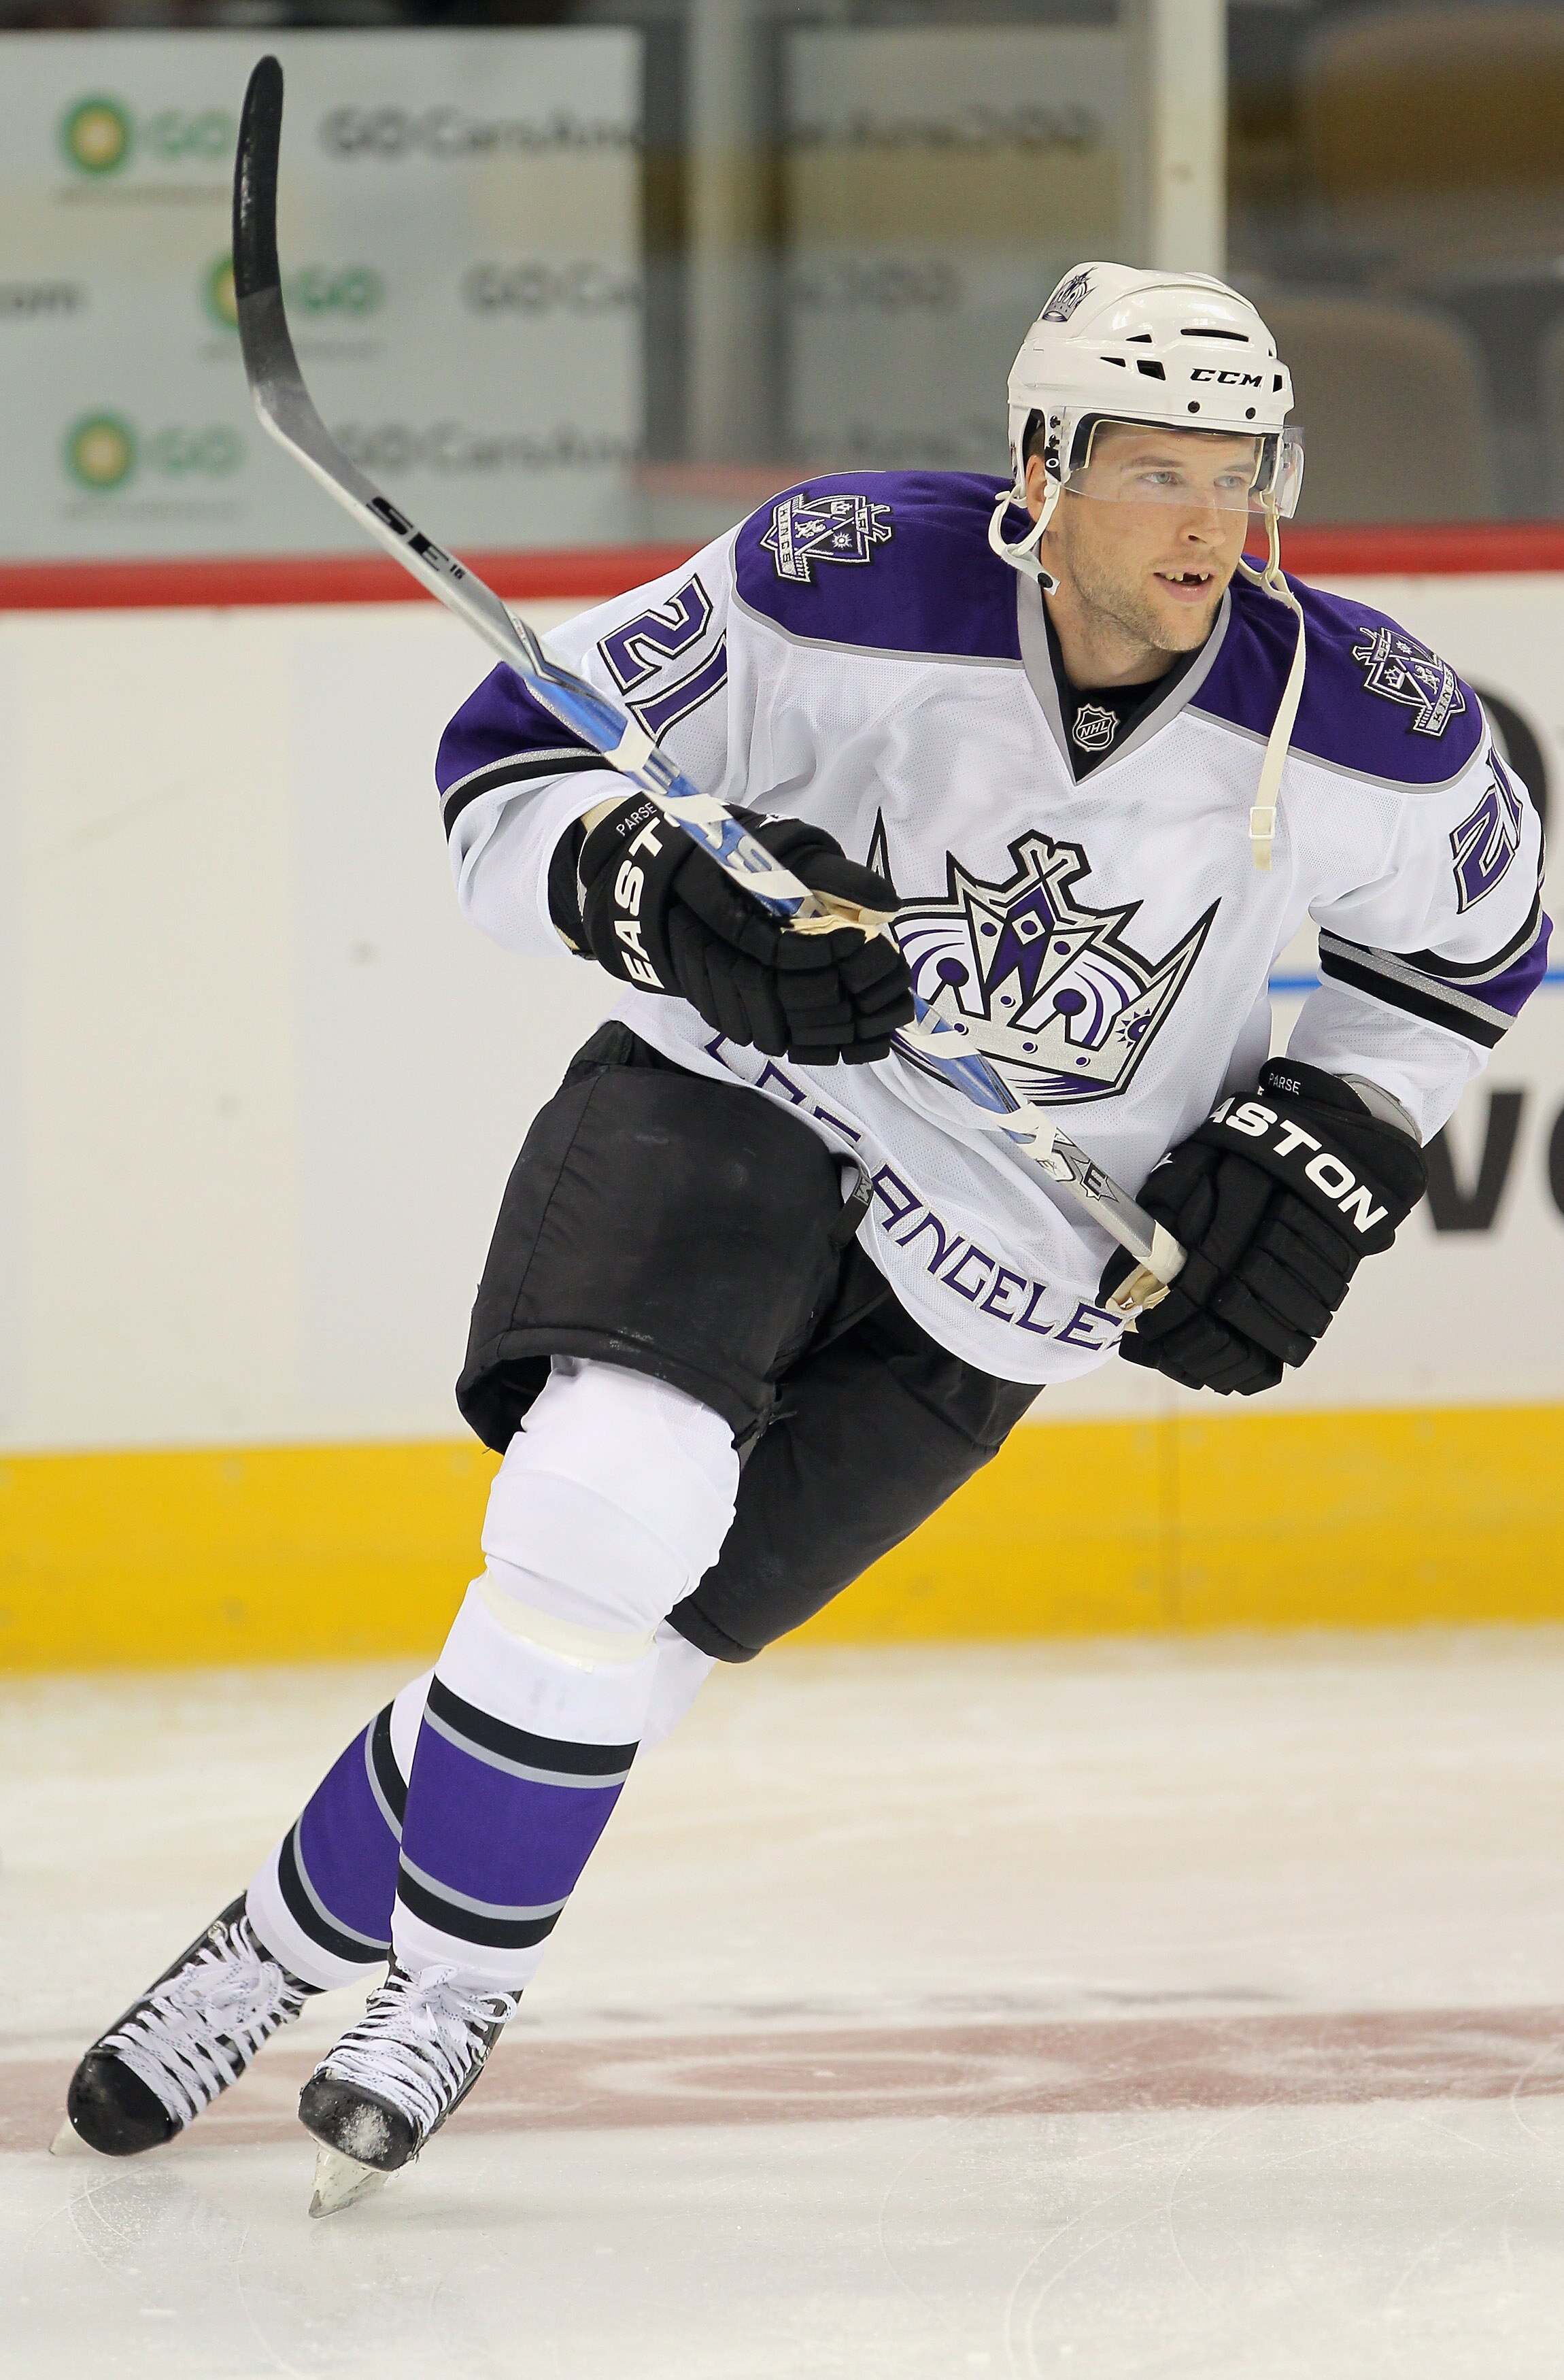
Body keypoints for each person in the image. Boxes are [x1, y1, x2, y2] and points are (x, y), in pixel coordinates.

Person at [60, 263, 1547, 2212]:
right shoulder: (837, 575)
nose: (1208, 522)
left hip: (1018, 1258)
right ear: (1042, 465)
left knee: (621, 1657)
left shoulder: (1364, 718)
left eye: (1239, 472)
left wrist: (1328, 1139)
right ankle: (451, 1991)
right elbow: (507, 763)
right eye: (1156, 470)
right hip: (744, 1105)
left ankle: (263, 1948)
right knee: (601, 1512)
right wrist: (664, 901)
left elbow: (1472, 958)